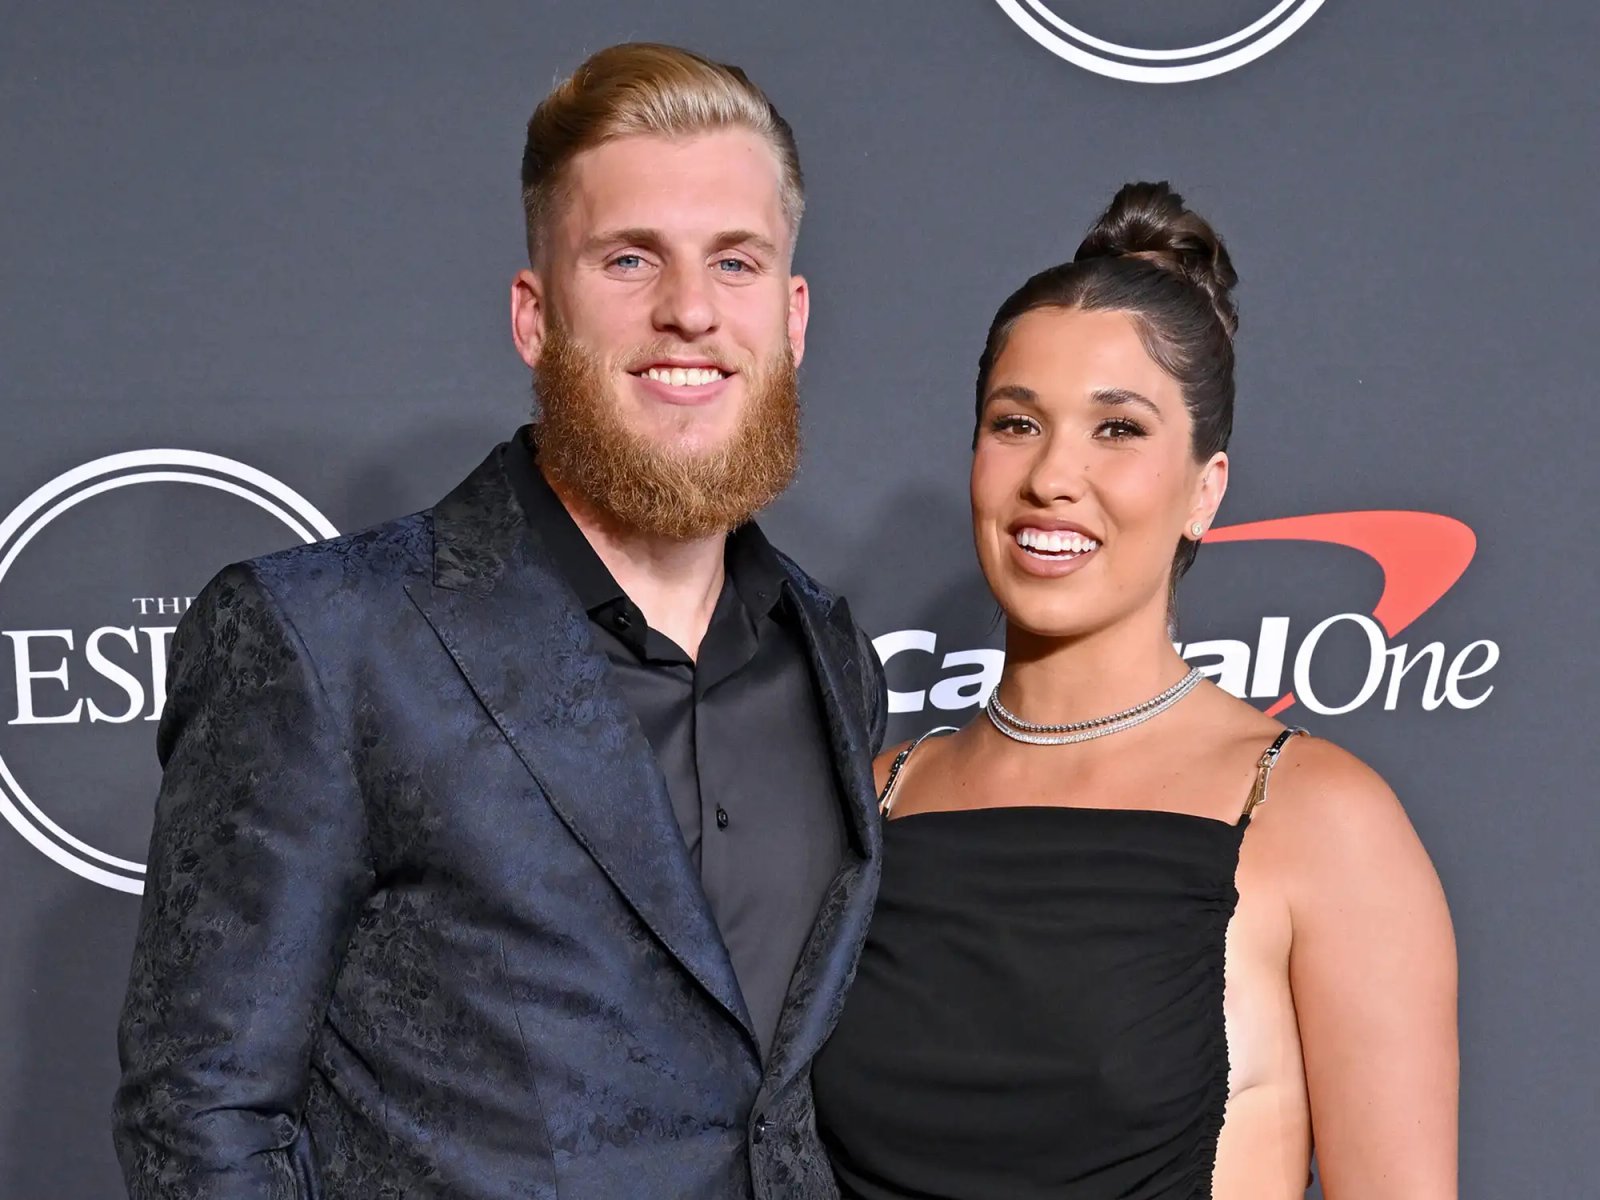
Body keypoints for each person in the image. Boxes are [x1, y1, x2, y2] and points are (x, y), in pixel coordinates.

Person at [113, 43, 886, 1200]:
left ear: (792, 314)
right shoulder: (328, 642)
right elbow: (201, 1115)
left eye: (736, 262)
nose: (689, 311)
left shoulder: (827, 652)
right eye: (630, 259)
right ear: (535, 315)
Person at [812, 182, 1458, 1198]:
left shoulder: (1317, 820)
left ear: (1205, 490)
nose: (1053, 477)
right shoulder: (874, 801)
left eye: (1116, 431)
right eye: (1015, 424)